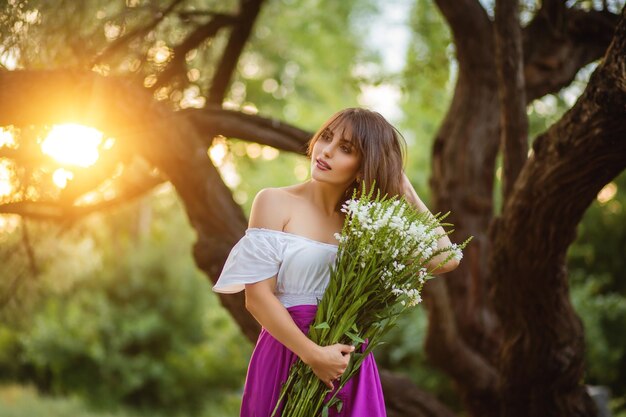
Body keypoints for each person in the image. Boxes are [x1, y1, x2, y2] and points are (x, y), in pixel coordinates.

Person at [212, 107, 458, 417]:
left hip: (346, 360)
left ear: (363, 165)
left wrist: (402, 185)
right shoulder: (275, 201)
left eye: (346, 149)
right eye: (326, 138)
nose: (326, 151)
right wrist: (314, 355)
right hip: (287, 351)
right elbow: (257, 297)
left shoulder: (369, 225)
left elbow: (445, 258)